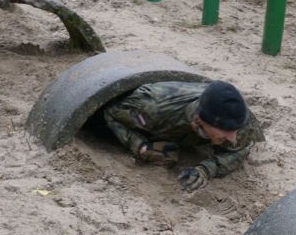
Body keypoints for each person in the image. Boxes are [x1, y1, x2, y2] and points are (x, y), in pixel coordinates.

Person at [101, 80, 264, 192]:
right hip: (162, 110)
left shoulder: (238, 121)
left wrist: (206, 169)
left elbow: (240, 149)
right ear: (199, 120)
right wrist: (140, 146)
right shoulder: (152, 107)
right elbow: (110, 112)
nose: (232, 137)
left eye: (235, 130)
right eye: (225, 131)